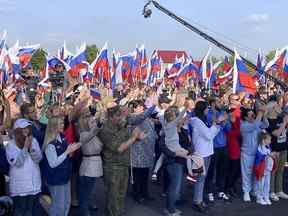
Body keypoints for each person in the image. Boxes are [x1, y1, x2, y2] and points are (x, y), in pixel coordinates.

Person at [97, 105, 146, 216]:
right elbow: (119, 148)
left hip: (124, 165)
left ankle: (118, 212)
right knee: (113, 197)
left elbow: (128, 140)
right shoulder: (105, 130)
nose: (121, 118)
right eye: (118, 116)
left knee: (121, 195)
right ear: (110, 117)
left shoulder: (121, 126)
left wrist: (137, 137)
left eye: (121, 115)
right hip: (112, 168)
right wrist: (134, 137)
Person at [42, 117, 80, 216]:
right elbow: (53, 163)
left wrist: (71, 150)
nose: (63, 125)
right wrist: (67, 152)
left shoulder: (62, 137)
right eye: (60, 124)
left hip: (65, 176)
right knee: (58, 205)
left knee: (67, 202)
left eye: (62, 123)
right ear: (54, 126)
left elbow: (65, 154)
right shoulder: (50, 144)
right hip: (56, 179)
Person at [6, 119, 42, 216]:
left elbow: (39, 158)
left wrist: (31, 149)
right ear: (17, 130)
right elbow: (17, 163)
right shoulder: (11, 145)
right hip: (20, 188)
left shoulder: (33, 140)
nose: (26, 130)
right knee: (20, 212)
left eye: (27, 127)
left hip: (34, 185)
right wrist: (25, 148)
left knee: (32, 212)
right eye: (23, 128)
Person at [189, 101, 220, 213]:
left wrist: (215, 124)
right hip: (201, 154)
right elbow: (208, 135)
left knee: (202, 178)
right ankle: (197, 201)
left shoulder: (203, 120)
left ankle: (199, 200)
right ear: (202, 109)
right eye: (206, 108)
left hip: (206, 152)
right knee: (200, 179)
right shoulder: (197, 121)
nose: (208, 110)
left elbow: (210, 134)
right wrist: (216, 124)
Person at [127, 100, 156, 203]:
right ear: (134, 108)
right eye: (139, 106)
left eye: (142, 106)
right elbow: (141, 117)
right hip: (138, 152)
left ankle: (145, 193)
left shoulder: (146, 117)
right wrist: (154, 105)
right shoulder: (133, 117)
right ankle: (137, 194)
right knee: (137, 175)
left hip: (147, 151)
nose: (142, 108)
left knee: (145, 174)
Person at [240, 107, 269, 202]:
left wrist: (263, 114)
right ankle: (246, 192)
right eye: (251, 115)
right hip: (247, 154)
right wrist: (260, 113)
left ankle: (254, 191)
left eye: (254, 115)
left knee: (256, 173)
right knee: (246, 174)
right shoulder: (244, 125)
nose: (253, 116)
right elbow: (255, 125)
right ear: (245, 118)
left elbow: (266, 124)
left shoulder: (256, 123)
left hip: (256, 154)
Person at [78, 108, 103, 215]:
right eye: (91, 122)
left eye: (94, 121)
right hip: (88, 167)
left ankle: (87, 208)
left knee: (90, 191)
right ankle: (85, 212)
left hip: (95, 165)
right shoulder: (84, 134)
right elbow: (91, 134)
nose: (94, 123)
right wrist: (98, 126)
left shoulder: (95, 134)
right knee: (85, 193)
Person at [267, 107, 288, 201]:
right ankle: (271, 191)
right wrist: (284, 123)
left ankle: (279, 190)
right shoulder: (270, 121)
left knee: (281, 171)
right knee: (273, 171)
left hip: (284, 148)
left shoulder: (282, 119)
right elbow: (277, 133)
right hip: (275, 150)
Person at [254, 131, 274, 205]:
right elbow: (259, 158)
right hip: (262, 169)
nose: (270, 141)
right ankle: (259, 198)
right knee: (261, 184)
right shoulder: (259, 148)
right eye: (269, 139)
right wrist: (268, 156)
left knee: (267, 183)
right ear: (263, 140)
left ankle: (266, 196)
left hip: (267, 169)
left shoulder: (268, 147)